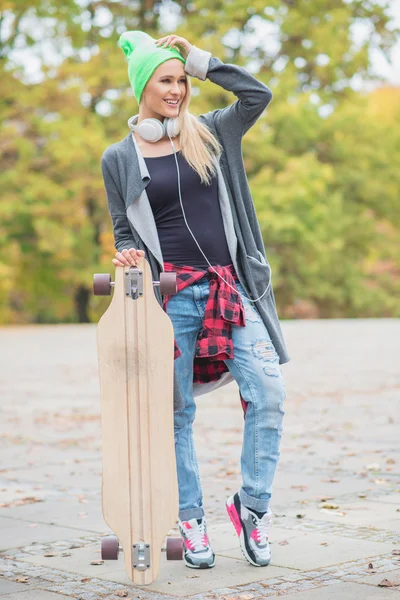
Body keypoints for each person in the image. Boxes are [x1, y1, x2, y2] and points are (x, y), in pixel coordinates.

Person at [101, 30, 290, 570]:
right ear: (143, 87)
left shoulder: (211, 132)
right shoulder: (118, 157)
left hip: (230, 287)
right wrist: (126, 254)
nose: (178, 90)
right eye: (167, 80)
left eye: (182, 80)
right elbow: (124, 230)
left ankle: (251, 507)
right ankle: (190, 517)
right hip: (171, 298)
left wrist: (200, 59)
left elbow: (257, 96)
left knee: (269, 392)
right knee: (176, 413)